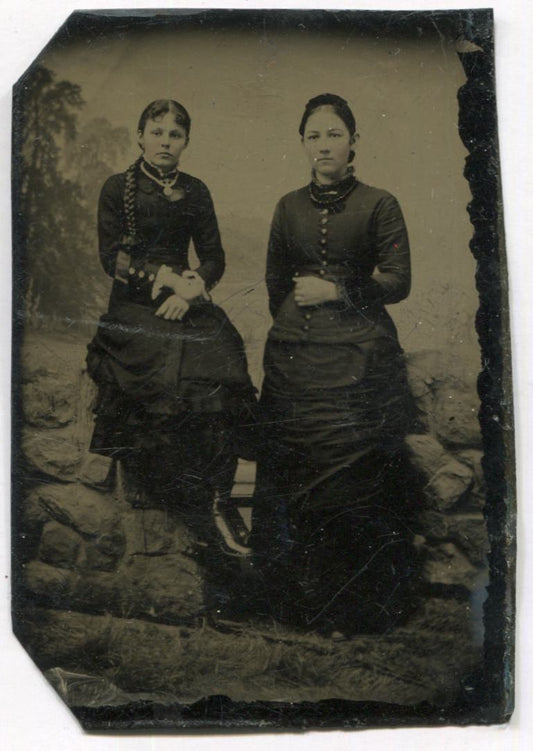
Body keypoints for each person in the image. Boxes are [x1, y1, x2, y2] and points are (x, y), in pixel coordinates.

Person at [251, 93, 419, 636]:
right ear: (303, 144)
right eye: (313, 136)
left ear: (353, 142)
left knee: (353, 465)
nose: (323, 145)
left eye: (333, 134)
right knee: (289, 459)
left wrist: (337, 291)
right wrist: (295, 326)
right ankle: (291, 604)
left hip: (360, 349)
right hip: (297, 353)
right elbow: (277, 284)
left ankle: (355, 608)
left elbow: (397, 280)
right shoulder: (286, 205)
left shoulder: (380, 203)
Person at [86, 100, 256, 585]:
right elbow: (111, 258)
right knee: (164, 367)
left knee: (222, 348)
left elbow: (214, 257)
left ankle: (222, 499)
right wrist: (163, 278)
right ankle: (193, 507)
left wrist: (193, 285)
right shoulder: (117, 188)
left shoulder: (196, 191)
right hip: (135, 305)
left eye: (175, 135)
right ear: (140, 136)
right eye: (156, 132)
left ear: (186, 142)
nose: (165, 142)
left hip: (186, 299)